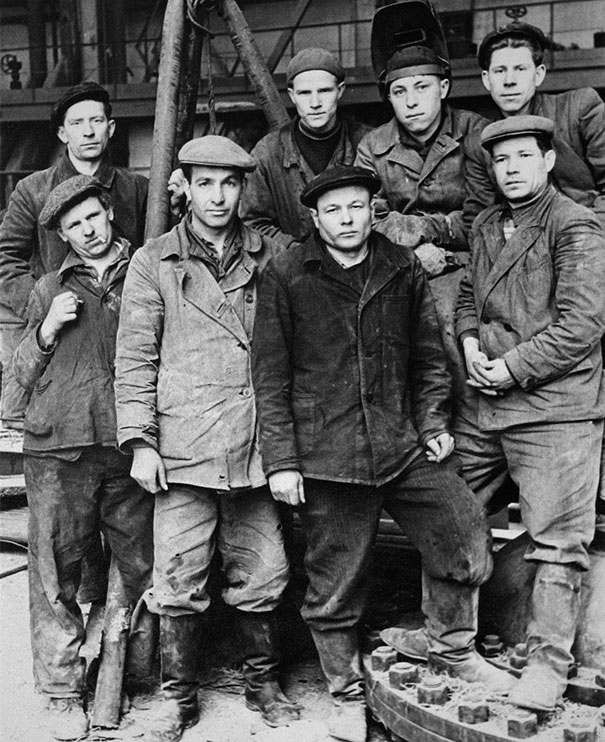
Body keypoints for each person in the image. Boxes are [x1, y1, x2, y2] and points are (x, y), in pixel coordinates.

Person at [252, 165, 514, 742]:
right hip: (327, 454)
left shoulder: (400, 266)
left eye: (357, 207)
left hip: (401, 444)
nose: (347, 220)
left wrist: (433, 424)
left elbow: (428, 357)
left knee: (463, 531)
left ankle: (451, 649)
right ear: (314, 218)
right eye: (333, 210)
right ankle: (345, 693)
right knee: (335, 582)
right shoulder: (287, 274)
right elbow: (269, 377)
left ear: (373, 210)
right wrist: (283, 462)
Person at [114, 135, 301, 742]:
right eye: (205, 184)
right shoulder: (154, 262)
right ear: (186, 189)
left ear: (243, 189)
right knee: (177, 578)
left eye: (229, 184)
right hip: (182, 445)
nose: (217, 197)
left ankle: (262, 684)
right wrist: (140, 442)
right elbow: (135, 357)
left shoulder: (274, 255)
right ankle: (179, 698)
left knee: (265, 572)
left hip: (254, 444)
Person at [454, 116, 605, 711]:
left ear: (547, 161)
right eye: (501, 159)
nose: (511, 168)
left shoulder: (575, 225)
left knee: (558, 543)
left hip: (554, 409)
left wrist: (512, 367)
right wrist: (469, 342)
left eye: (523, 156)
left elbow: (583, 325)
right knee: (446, 514)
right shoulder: (487, 223)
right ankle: (445, 638)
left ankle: (547, 665)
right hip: (485, 404)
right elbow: (469, 295)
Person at [12, 175, 153, 741]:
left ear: (110, 212)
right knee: (55, 572)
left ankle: (130, 672)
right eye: (74, 226)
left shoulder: (146, 269)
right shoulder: (48, 288)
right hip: (59, 449)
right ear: (62, 236)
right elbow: (18, 379)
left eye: (93, 216)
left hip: (128, 445)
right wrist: (47, 329)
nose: (87, 231)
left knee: (141, 565)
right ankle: (62, 689)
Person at [0, 81, 148, 429]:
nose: (89, 132)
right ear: (62, 133)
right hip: (58, 332)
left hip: (121, 334)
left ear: (111, 128)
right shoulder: (33, 190)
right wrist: (40, 305)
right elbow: (5, 258)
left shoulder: (137, 189)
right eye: (77, 123)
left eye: (97, 121)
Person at [354, 45, 487, 400]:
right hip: (398, 265)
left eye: (422, 87)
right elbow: (368, 219)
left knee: (453, 327)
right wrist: (416, 252)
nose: (411, 101)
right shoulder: (373, 146)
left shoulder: (476, 132)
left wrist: (423, 229)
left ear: (443, 88)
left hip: (471, 262)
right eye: (399, 91)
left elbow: (485, 217)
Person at [462, 21, 605, 233]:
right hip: (525, 243)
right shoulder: (478, 143)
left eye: (520, 69)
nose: (509, 81)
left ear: (538, 74)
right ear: (486, 79)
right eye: (499, 71)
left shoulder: (579, 109)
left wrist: (578, 232)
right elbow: (478, 219)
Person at [240, 47, 372, 250]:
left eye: (324, 91)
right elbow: (252, 223)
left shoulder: (368, 143)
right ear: (292, 95)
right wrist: (299, 254)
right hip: (294, 265)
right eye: (304, 93)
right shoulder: (268, 152)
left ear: (340, 91)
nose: (315, 103)